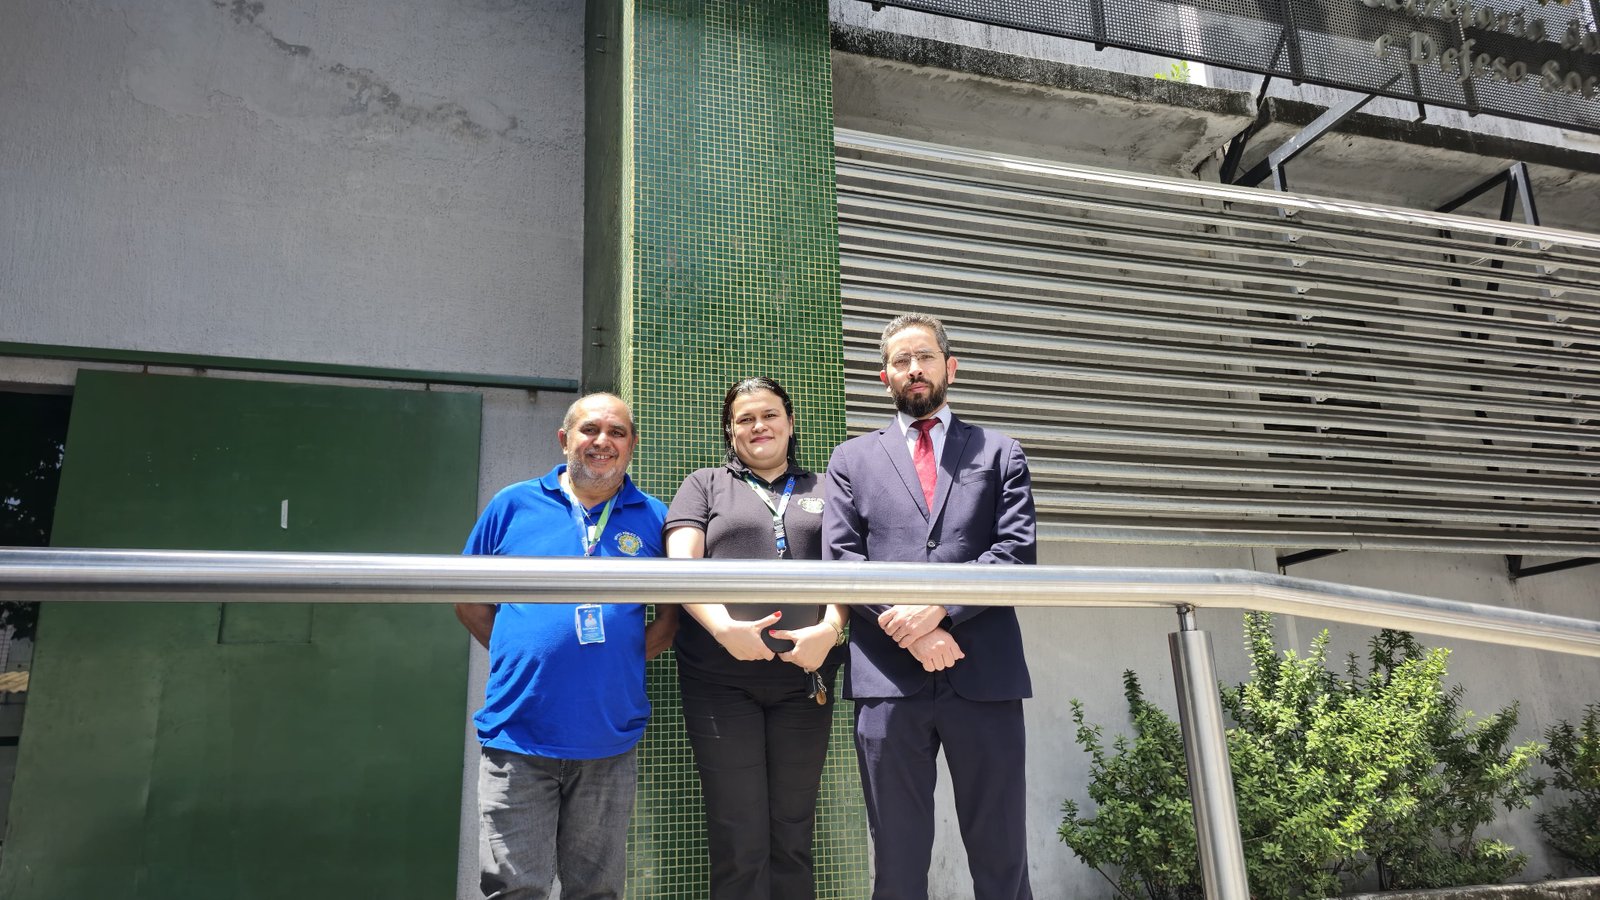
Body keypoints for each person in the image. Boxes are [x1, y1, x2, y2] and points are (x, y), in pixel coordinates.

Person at [822, 313, 1037, 900]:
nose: (914, 369)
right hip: (889, 681)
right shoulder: (850, 460)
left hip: (983, 673)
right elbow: (842, 558)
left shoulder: (1000, 452)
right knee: (897, 856)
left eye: (925, 357)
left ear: (951, 367)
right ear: (884, 376)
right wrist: (915, 629)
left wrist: (939, 608)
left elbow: (1015, 554)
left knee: (1001, 852)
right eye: (901, 361)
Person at [455, 392, 678, 900]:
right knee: (515, 889)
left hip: (607, 741)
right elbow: (467, 600)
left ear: (633, 445)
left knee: (596, 891)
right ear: (564, 439)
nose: (603, 441)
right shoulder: (512, 505)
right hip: (518, 734)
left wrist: (618, 660)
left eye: (617, 432)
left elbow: (671, 620)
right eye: (589, 429)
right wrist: (520, 652)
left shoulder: (653, 518)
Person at [664, 376, 847, 900]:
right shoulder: (704, 485)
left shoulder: (827, 488)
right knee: (737, 832)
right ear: (730, 431)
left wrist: (831, 630)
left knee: (794, 831)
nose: (758, 426)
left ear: (790, 423)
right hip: (720, 683)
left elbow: (851, 569)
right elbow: (680, 567)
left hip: (804, 681)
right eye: (745, 419)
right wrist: (724, 629)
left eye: (769, 415)